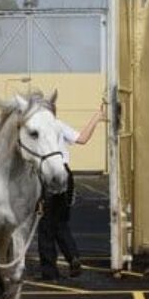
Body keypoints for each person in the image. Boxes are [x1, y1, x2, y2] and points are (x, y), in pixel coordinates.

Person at [37, 102, 107, 281]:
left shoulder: (39, 129)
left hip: (49, 174)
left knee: (45, 226)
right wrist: (97, 117)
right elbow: (82, 138)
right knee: (60, 221)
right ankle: (73, 257)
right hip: (65, 173)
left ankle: (49, 271)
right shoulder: (59, 125)